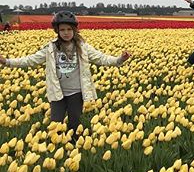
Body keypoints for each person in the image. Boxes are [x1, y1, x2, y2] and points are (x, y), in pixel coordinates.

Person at [0, 11, 131, 132]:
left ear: (74, 30)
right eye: (62, 30)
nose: (66, 32)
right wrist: (7, 61)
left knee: (74, 126)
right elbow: (31, 60)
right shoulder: (51, 48)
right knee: (55, 126)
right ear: (57, 31)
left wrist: (120, 59)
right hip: (57, 93)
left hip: (76, 93)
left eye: (69, 29)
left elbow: (101, 58)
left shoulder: (82, 47)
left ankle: (73, 149)